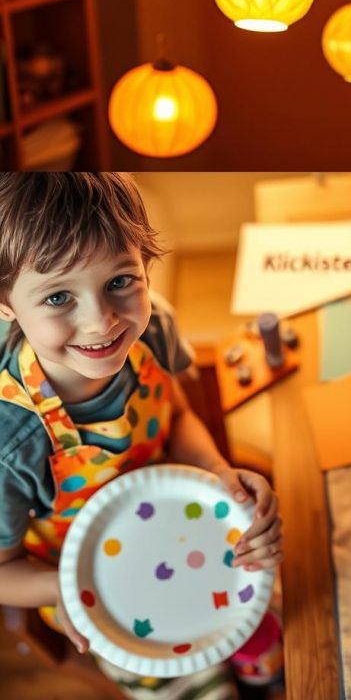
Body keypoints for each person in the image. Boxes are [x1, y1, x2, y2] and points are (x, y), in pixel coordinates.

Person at [0, 173, 283, 699]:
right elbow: (3, 571)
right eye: (59, 296)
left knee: (275, 629)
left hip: (191, 531)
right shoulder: (12, 442)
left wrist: (218, 472)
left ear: (146, 264)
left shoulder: (153, 328)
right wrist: (64, 590)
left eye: (119, 282)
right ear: (6, 304)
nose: (101, 322)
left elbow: (176, 416)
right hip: (108, 594)